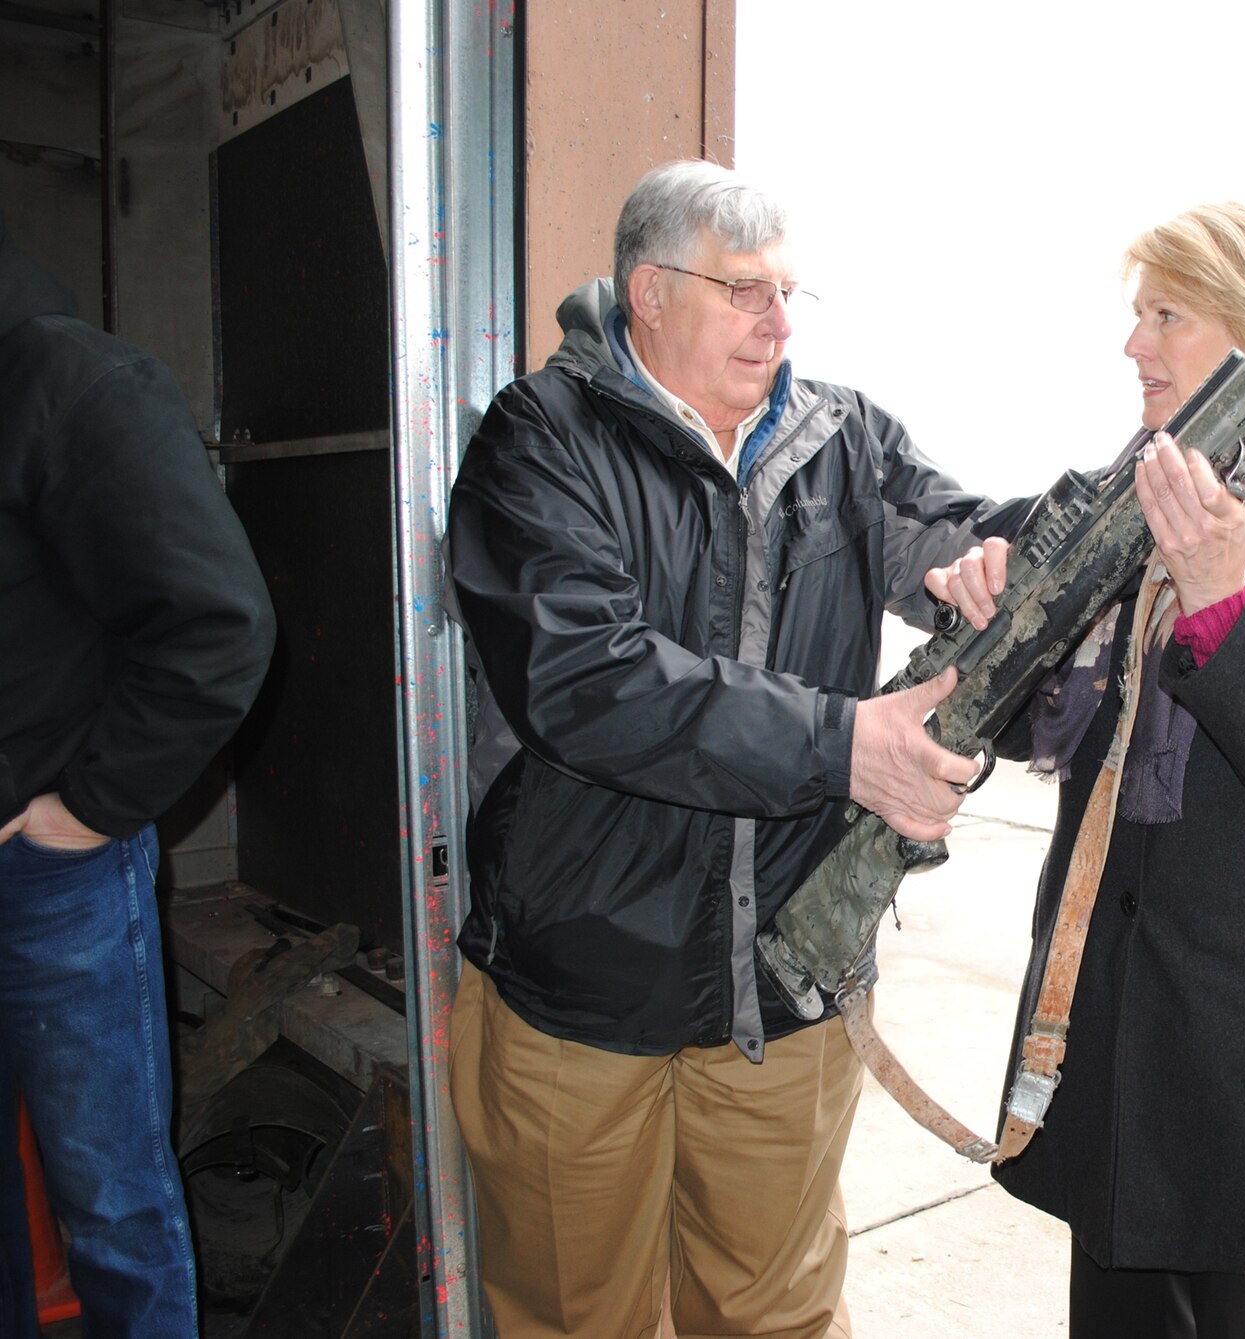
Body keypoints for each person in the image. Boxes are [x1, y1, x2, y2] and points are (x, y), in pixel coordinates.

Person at [444, 160, 1020, 1339]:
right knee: (572, 1313)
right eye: (745, 290)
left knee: (776, 1314)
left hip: (788, 987)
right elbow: (586, 680)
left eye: (790, 293)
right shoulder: (540, 437)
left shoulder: (843, 440)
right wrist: (842, 742)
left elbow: (956, 531)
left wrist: (1001, 562)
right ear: (648, 291)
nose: (779, 322)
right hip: (579, 988)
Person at [929, 203, 1245, 1338]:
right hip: (1102, 990)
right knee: (1113, 1300)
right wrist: (992, 616)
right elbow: (1033, 723)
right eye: (1135, 314)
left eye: (1166, 314)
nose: (1132, 345)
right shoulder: (1121, 501)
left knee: (1243, 1307)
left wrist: (1214, 592)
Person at [0, 212, 277, 1335]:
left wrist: (81, 814)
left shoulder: (72, 383)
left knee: (111, 1200)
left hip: (48, 872)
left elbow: (219, 628)